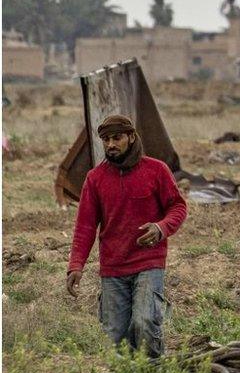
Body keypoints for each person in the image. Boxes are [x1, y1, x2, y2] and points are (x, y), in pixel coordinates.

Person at [66, 115, 187, 357]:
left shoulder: (156, 170)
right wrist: (75, 265)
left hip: (148, 263)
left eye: (117, 138)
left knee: (144, 323)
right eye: (106, 139)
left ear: (131, 137)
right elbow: (85, 226)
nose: (111, 144)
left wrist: (160, 228)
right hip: (113, 268)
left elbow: (178, 207)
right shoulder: (95, 179)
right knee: (114, 339)